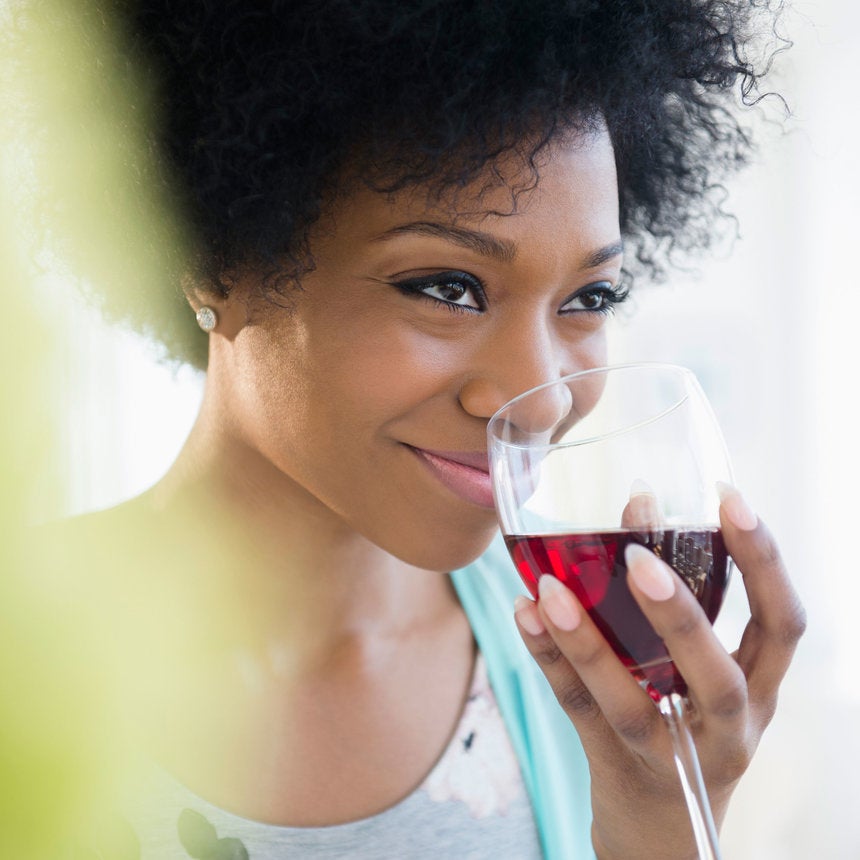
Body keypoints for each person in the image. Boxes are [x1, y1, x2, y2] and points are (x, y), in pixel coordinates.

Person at [45, 1, 806, 857]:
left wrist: (665, 831)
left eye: (589, 298)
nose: (541, 402)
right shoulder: (24, 654)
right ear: (214, 255)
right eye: (448, 288)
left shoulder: (599, 680)